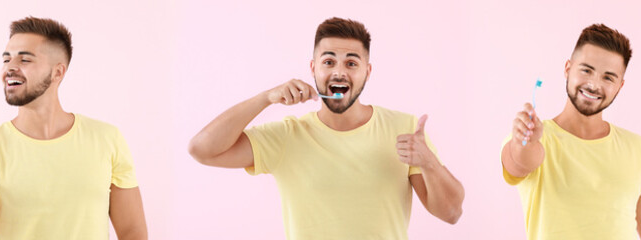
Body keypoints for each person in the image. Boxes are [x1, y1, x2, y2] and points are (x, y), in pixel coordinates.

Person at [188, 17, 465, 239]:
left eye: (351, 63)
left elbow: (452, 213)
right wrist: (265, 98)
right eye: (329, 61)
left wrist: (428, 162)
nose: (339, 72)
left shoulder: (404, 128)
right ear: (313, 69)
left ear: (367, 72)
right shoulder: (287, 136)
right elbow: (201, 149)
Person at [0, 16, 148, 240]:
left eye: (25, 60)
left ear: (57, 73)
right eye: (6, 59)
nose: (10, 68)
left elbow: (133, 232)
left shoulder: (107, 139)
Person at [501, 23, 641, 240]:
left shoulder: (637, 147)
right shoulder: (535, 138)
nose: (593, 84)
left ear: (620, 86)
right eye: (586, 70)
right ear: (567, 68)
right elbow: (519, 163)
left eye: (608, 77)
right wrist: (524, 142)